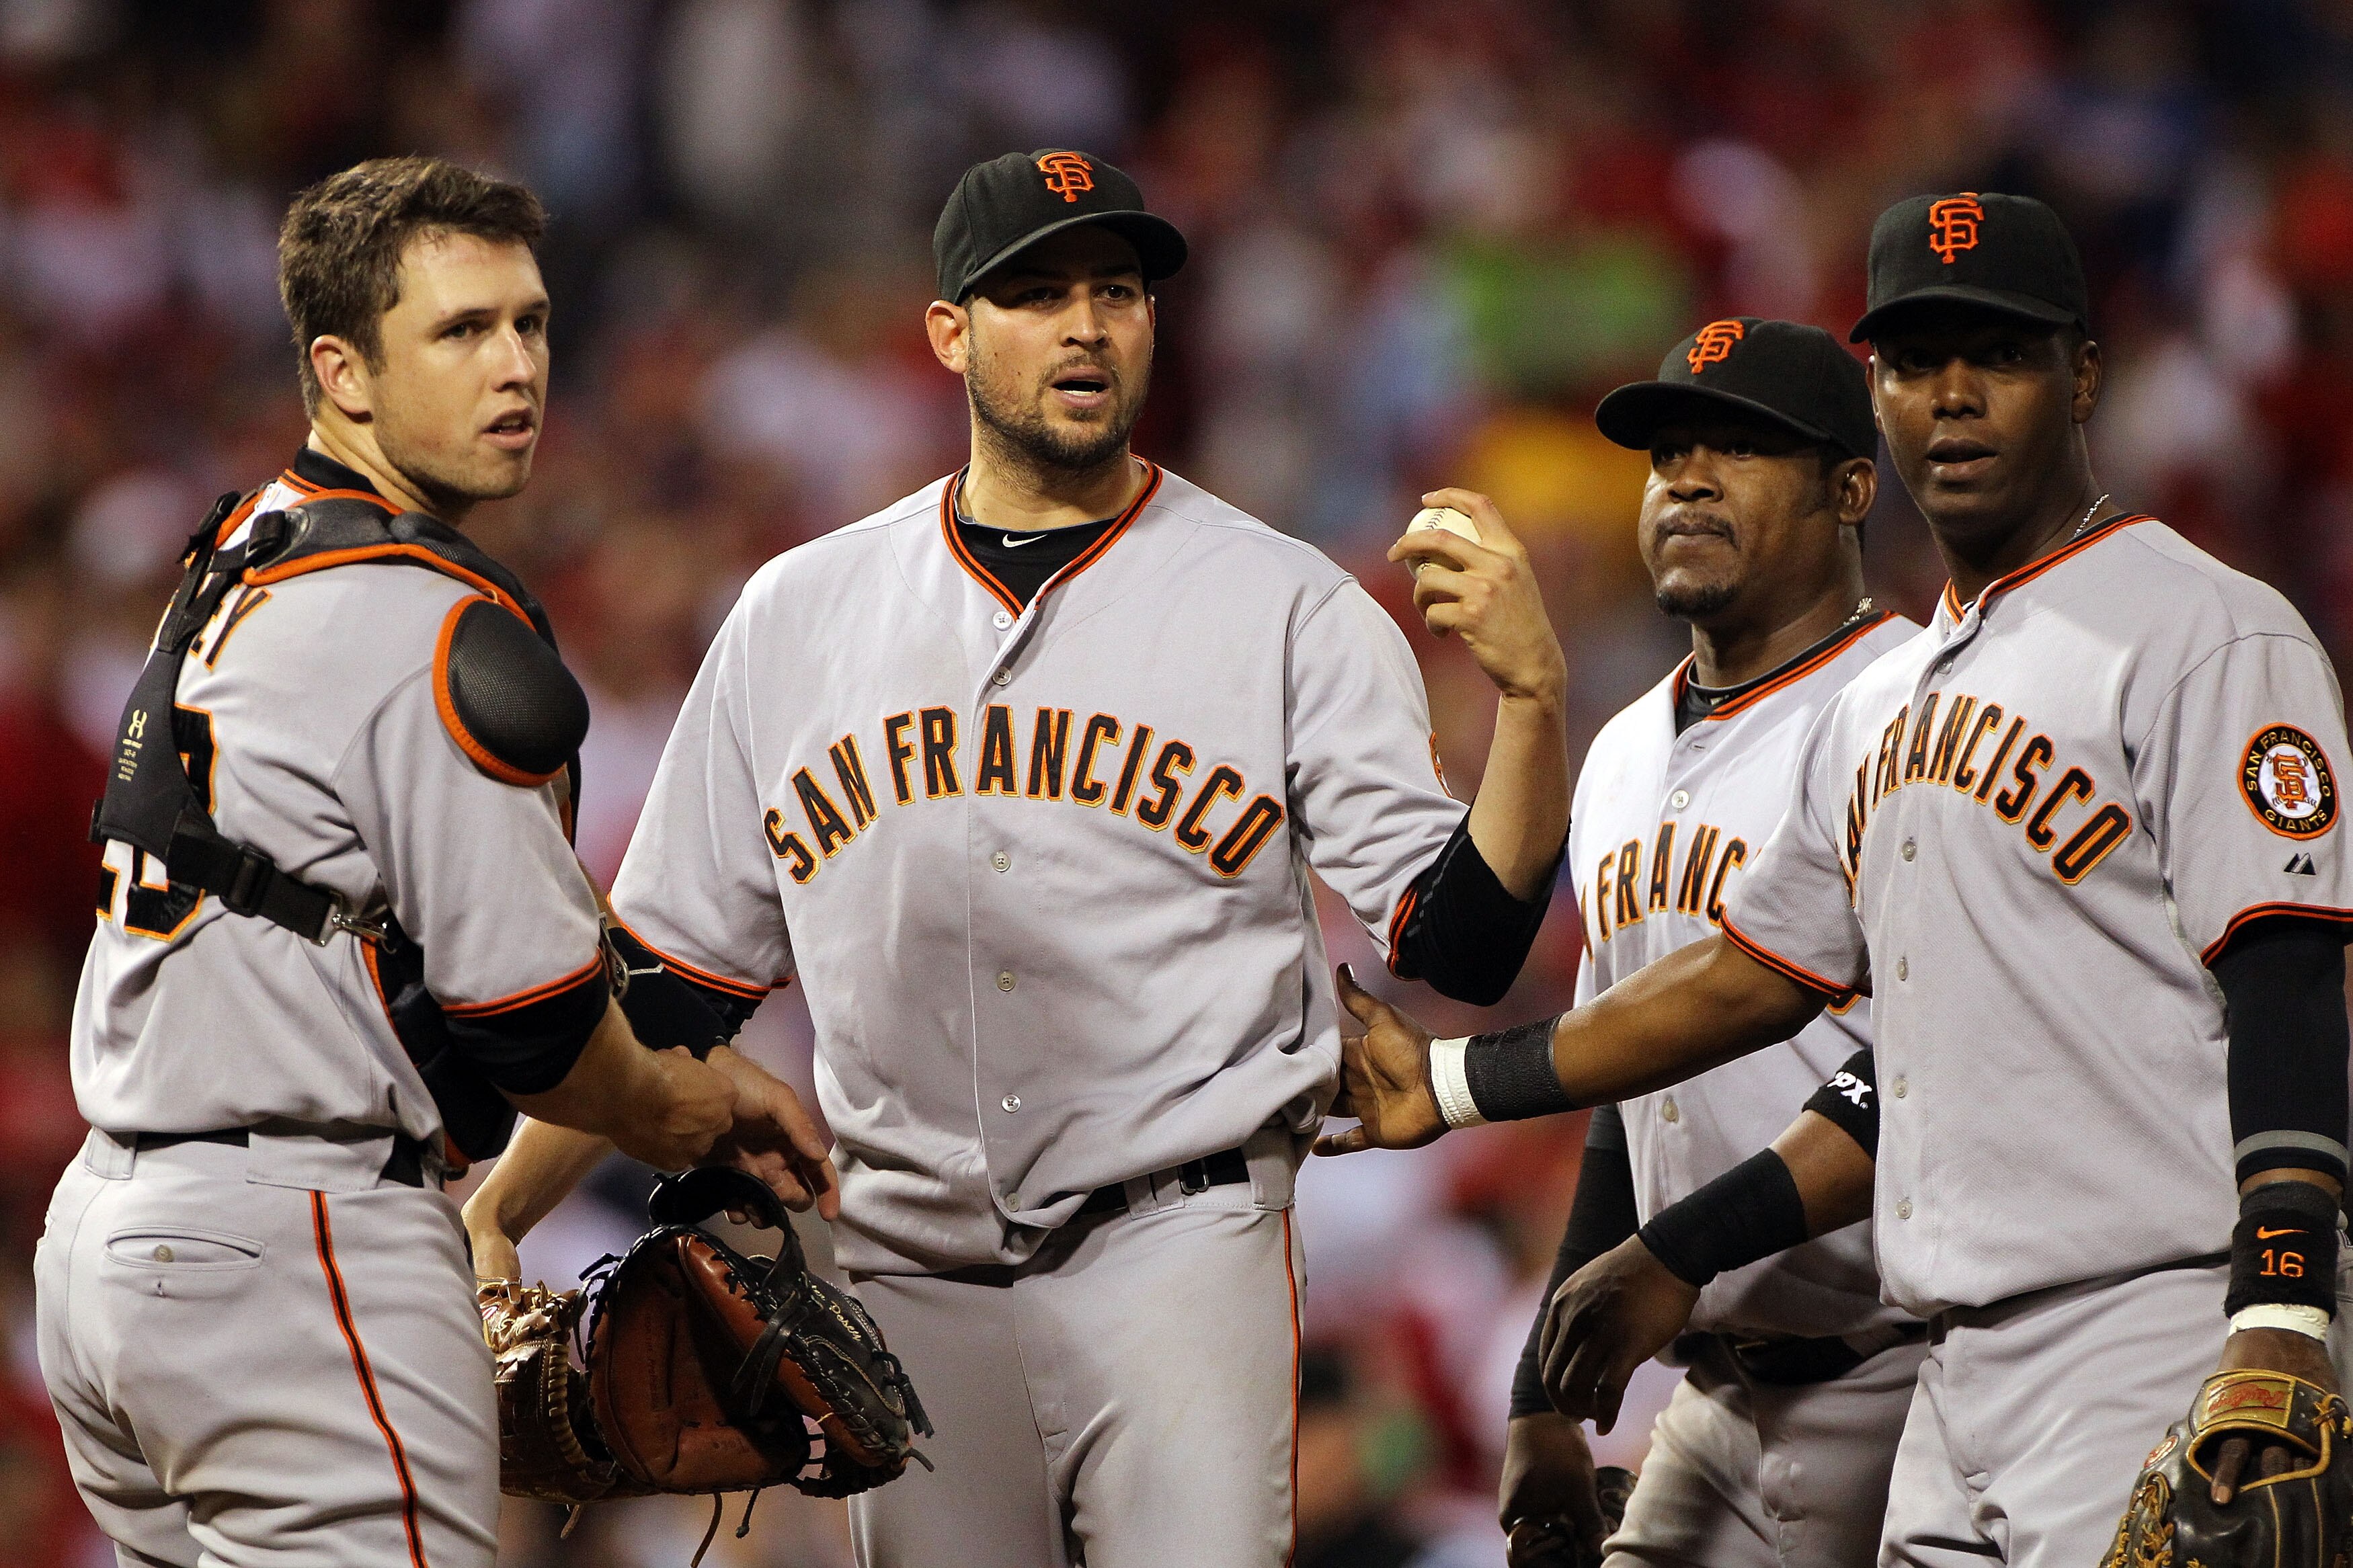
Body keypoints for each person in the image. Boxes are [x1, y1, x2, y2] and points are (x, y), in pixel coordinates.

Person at [461, 146, 1570, 1567]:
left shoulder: (1287, 604)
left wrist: (1532, 706)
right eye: (1037, 295)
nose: (1085, 326)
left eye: (1117, 291)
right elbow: (669, 985)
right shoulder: (798, 614)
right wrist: (502, 1206)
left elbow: (1462, 942)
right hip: (906, 1258)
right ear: (949, 334)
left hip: (1182, 1244)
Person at [1322, 192, 2353, 1567]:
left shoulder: (2207, 629)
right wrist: (1458, 1084)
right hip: (1948, 1359)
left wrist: (2281, 1300)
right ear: (1880, 398)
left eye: (1998, 355)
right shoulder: (1895, 699)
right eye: (1916, 362)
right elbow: (1744, 980)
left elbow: (2289, 973)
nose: (1953, 395)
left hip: (2142, 1311)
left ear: (2084, 376)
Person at [35, 155, 831, 1568]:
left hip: (114, 1249)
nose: (516, 365)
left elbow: (394, 904)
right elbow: (542, 1038)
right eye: (461, 331)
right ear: (340, 371)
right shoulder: (424, 617)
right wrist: (692, 1107)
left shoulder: (245, 550)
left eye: (530, 323)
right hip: (294, 1247)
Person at [1497, 319, 1923, 1568]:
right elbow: (1627, 1092)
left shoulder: (1920, 705)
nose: (1686, 477)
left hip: (1928, 1372)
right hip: (1718, 1398)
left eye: (1739, 447)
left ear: (1852, 490)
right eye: (1667, 450)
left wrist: (1679, 1251)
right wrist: (1542, 1391)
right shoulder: (1621, 750)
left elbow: (1933, 1059)